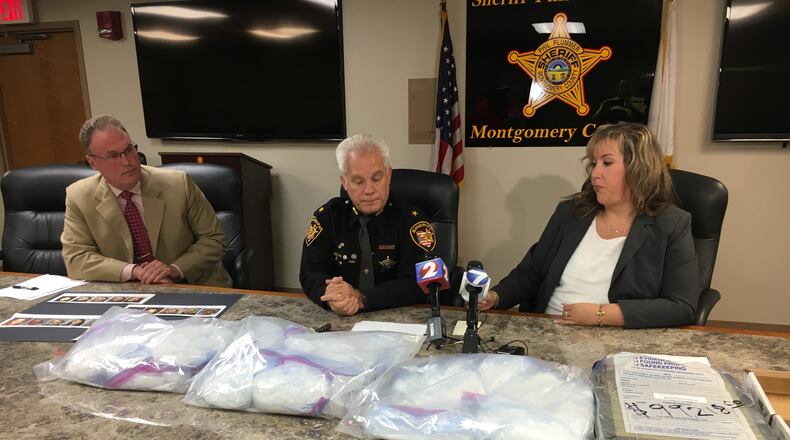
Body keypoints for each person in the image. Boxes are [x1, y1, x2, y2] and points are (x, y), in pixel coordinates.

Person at [479, 122, 700, 328]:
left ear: (638, 167)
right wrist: (495, 297)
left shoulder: (670, 224)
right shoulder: (571, 213)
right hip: (548, 330)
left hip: (616, 341)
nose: (595, 173)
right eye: (594, 164)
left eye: (607, 162)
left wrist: (601, 314)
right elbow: (531, 272)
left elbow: (681, 306)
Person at [61, 115, 231, 287]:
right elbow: (77, 258)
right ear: (93, 163)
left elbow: (213, 239)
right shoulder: (79, 196)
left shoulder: (179, 184)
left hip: (193, 285)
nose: (127, 161)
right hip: (129, 291)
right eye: (113, 156)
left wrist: (172, 269)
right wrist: (135, 271)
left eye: (129, 150)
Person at [299, 134, 436, 316]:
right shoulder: (328, 217)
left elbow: (421, 282)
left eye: (376, 178)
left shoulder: (414, 221)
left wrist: (362, 298)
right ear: (345, 182)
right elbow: (310, 272)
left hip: (400, 318)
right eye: (358, 181)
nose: (369, 190)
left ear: (388, 175)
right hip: (340, 319)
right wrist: (331, 296)